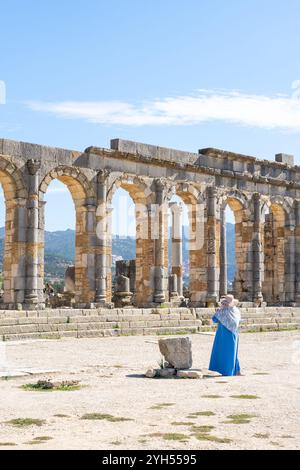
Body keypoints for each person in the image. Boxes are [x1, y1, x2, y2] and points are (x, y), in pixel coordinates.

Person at [209, 294, 241, 376]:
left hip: (223, 334)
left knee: (223, 352)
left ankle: (226, 371)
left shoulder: (223, 311)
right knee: (233, 352)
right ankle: (236, 370)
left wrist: (218, 311)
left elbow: (214, 319)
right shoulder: (236, 311)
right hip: (234, 333)